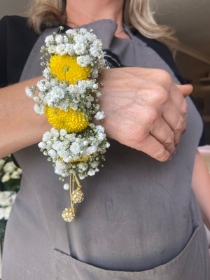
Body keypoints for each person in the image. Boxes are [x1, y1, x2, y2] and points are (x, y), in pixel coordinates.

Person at [0, 0, 210, 279]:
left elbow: (186, 151)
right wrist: (82, 95)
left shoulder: (159, 50)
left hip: (190, 264)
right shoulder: (14, 36)